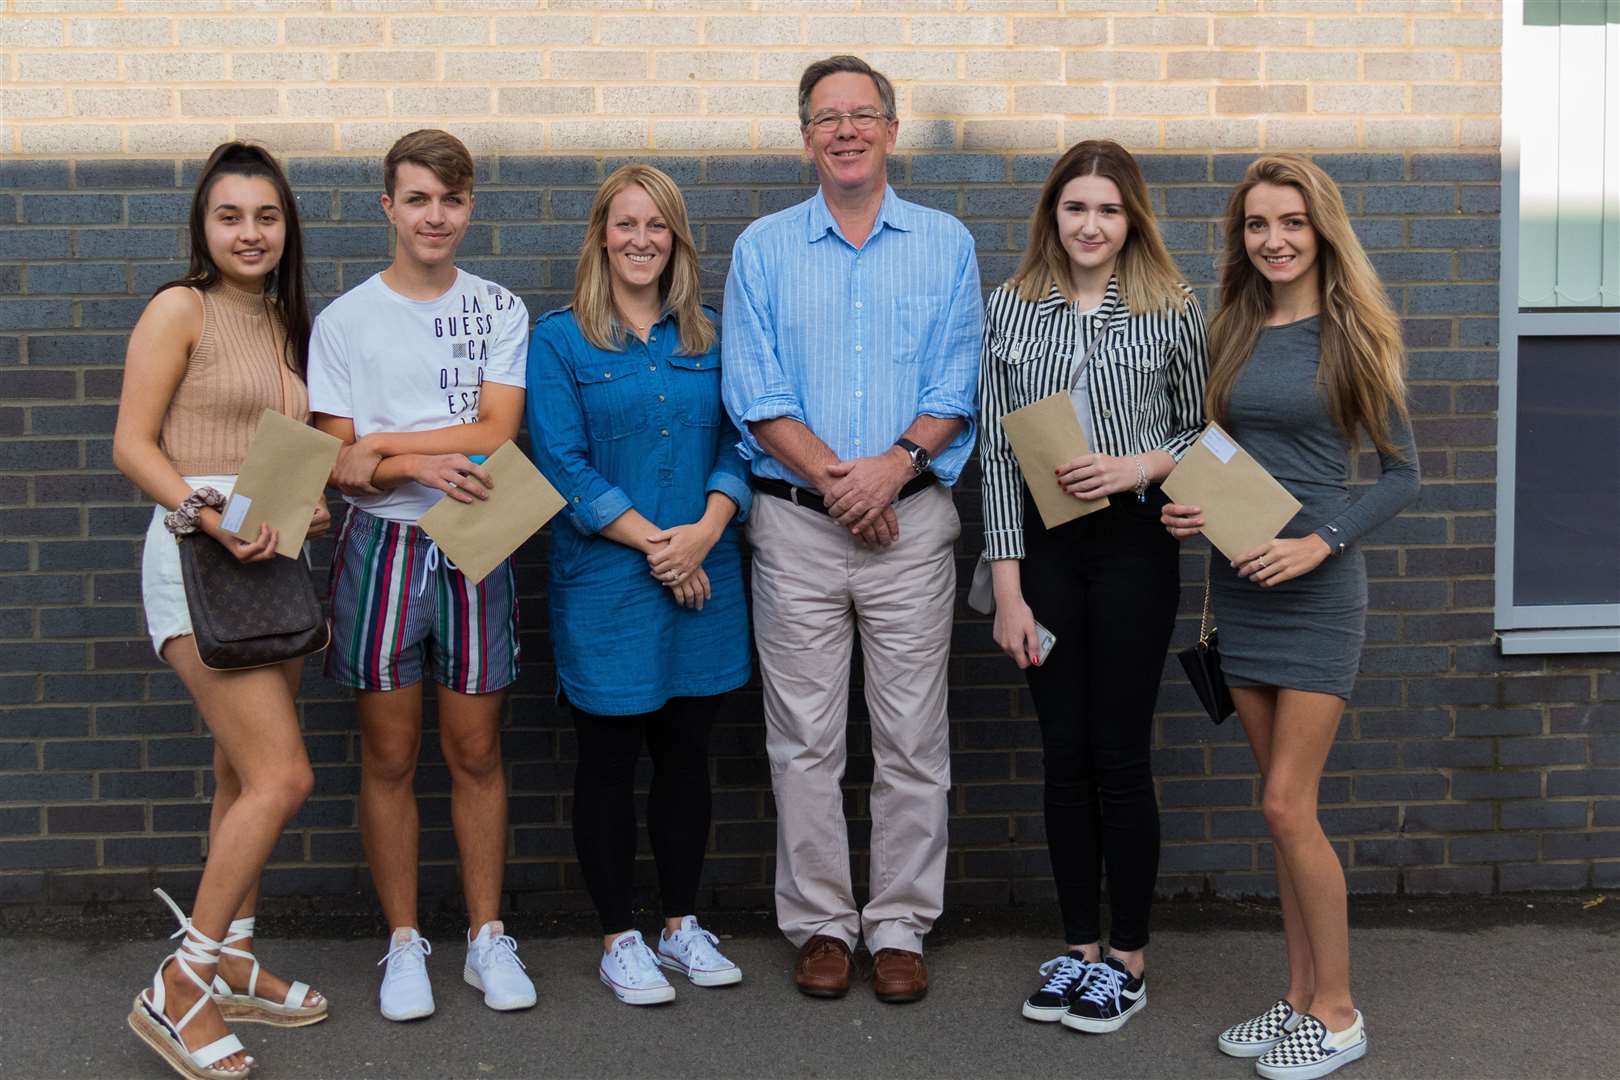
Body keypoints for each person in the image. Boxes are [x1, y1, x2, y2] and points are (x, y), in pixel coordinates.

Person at [721, 54, 982, 1003]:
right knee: (803, 740)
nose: (845, 131)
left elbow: (957, 383)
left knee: (914, 738)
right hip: (796, 528)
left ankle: (902, 922)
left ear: (891, 130)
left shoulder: (945, 243)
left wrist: (890, 472)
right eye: (826, 117)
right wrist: (843, 484)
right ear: (805, 137)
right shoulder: (763, 248)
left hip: (910, 526)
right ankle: (825, 924)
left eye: (862, 114)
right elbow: (755, 393)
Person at [1162, 155, 1419, 1079]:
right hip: (1240, 588)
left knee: (1285, 804)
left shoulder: (1355, 334)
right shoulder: (1231, 329)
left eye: (1292, 224)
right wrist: (1188, 504)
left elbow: (1401, 474)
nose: (1273, 240)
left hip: (1315, 593)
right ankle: (1301, 997)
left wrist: (1322, 542)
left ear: (1322, 232)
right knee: (1279, 815)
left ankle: (1341, 1014)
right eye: (1257, 225)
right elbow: (1217, 450)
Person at [979, 140, 1209, 1034]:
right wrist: (1006, 591)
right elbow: (999, 454)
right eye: (1076, 207)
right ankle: (1078, 952)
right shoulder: (1011, 307)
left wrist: (1141, 465)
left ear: (1132, 220)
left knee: (1118, 751)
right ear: (1053, 215)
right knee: (1061, 752)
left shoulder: (1171, 308)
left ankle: (1129, 960)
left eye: (1108, 210)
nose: (1090, 224)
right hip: (1041, 550)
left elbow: (1199, 428)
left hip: (1134, 544)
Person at [308, 129, 536, 1022]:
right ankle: (405, 943)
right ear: (388, 209)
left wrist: (387, 444)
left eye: (450, 200)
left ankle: (486, 938)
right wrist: (404, 466)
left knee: (476, 750)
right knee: (390, 753)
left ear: (468, 207)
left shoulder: (500, 307)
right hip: (380, 548)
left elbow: (498, 432)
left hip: (481, 532)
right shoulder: (344, 321)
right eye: (417, 199)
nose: (434, 216)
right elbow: (336, 463)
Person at [114, 141, 328, 1080]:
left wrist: (303, 500)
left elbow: (273, 451)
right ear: (203, 225)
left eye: (267, 216)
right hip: (199, 554)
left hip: (269, 554)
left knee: (242, 777)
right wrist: (207, 510)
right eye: (231, 215)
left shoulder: (285, 325)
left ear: (288, 227)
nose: (251, 232)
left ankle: (235, 956)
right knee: (285, 776)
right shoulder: (181, 308)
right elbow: (131, 444)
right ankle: (183, 982)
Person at [526, 164, 751, 1006]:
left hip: (707, 573)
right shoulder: (560, 341)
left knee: (689, 756)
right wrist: (665, 548)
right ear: (601, 237)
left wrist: (704, 534)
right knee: (610, 760)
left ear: (677, 240)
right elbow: (561, 463)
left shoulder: (712, 336)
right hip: (610, 583)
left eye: (657, 226)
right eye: (625, 224)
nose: (641, 240)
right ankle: (620, 935)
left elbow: (742, 445)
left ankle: (680, 923)